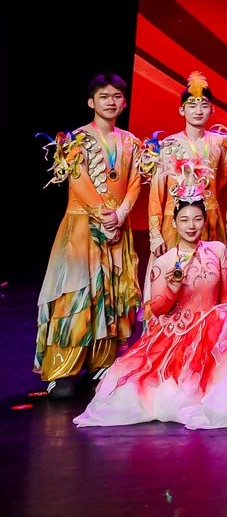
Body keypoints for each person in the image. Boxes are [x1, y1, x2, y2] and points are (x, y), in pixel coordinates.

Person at [76, 160, 227, 429]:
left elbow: (225, 298)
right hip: (180, 333)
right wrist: (173, 289)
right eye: (184, 220)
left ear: (204, 221)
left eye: (197, 219)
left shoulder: (217, 249)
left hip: (216, 325)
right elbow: (158, 309)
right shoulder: (165, 261)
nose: (191, 226)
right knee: (175, 393)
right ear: (174, 223)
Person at [37, 73, 150, 399]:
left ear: (124, 103)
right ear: (91, 102)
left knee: (112, 296)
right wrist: (104, 214)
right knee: (76, 295)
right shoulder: (74, 140)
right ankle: (62, 370)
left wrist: (121, 215)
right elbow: (78, 182)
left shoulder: (131, 142)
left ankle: (102, 364)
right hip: (82, 228)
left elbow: (134, 183)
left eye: (117, 96)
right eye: (104, 96)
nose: (111, 102)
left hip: (116, 228)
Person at [148, 72, 227, 255]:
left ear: (212, 110)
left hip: (210, 219)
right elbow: (156, 193)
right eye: (192, 106)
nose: (198, 111)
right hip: (175, 221)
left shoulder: (220, 143)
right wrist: (155, 234)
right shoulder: (168, 145)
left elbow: (223, 180)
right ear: (181, 110)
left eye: (204, 106)